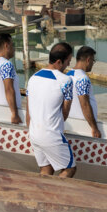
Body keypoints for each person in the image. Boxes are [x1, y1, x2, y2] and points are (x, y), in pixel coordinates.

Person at [26, 42, 76, 178]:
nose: (68, 65)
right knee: (70, 169)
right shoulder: (66, 81)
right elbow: (65, 113)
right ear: (59, 62)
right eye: (68, 61)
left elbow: (28, 110)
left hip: (34, 133)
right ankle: (57, 196)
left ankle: (40, 196)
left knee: (46, 170)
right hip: (52, 134)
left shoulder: (33, 78)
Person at [67, 46, 101, 138]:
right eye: (93, 61)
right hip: (84, 127)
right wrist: (95, 128)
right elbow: (84, 104)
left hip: (69, 123)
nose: (92, 64)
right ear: (88, 60)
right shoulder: (82, 79)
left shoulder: (67, 76)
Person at [0, 33, 22, 124]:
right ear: (6, 45)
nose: (14, 49)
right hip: (7, 115)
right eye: (12, 45)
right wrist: (14, 114)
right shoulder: (6, 65)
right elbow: (9, 89)